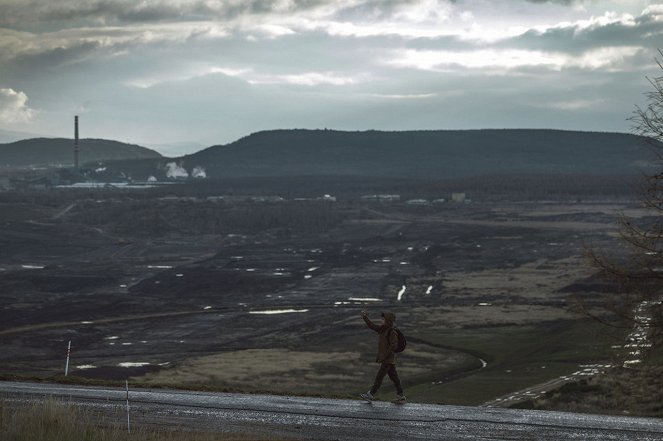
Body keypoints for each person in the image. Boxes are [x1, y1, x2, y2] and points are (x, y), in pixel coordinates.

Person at [360, 310, 406, 403]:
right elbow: (372, 326)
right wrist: (365, 317)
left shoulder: (392, 331)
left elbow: (394, 345)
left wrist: (385, 355)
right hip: (388, 360)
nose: (381, 320)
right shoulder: (382, 329)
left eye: (383, 319)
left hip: (387, 359)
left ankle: (370, 394)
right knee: (394, 378)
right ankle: (400, 395)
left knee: (379, 377)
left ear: (388, 320)